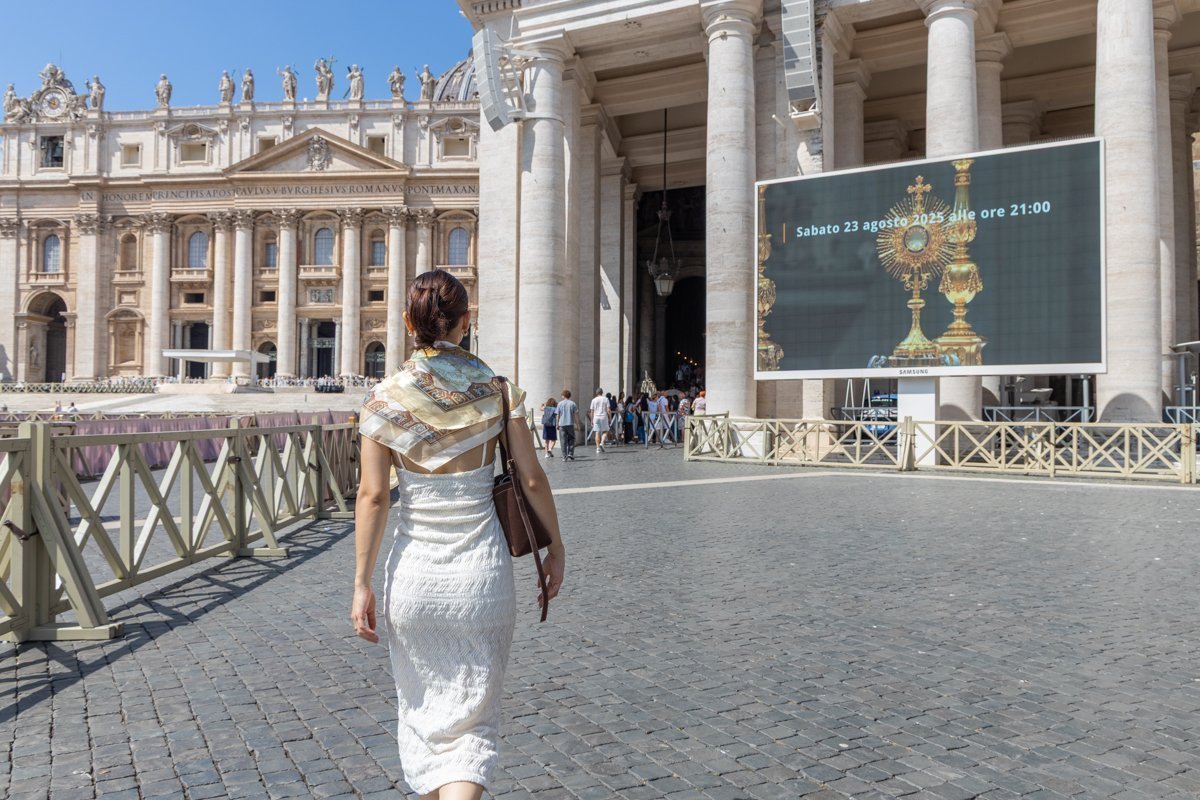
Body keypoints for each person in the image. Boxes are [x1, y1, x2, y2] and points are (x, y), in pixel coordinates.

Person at [352, 269, 565, 800]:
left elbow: (373, 497)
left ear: (408, 322)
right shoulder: (496, 391)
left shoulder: (382, 398)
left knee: (422, 716)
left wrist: (361, 582)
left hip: (414, 578)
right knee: (472, 725)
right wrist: (555, 547)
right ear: (467, 323)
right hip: (481, 577)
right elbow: (532, 477)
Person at [556, 389, 580, 461]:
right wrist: (578, 424)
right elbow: (575, 415)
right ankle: (570, 453)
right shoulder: (573, 403)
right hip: (570, 424)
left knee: (563, 441)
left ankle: (564, 456)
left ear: (563, 396)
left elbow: (557, 414)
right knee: (572, 439)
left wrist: (557, 424)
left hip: (562, 424)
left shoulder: (559, 404)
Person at [588, 388, 609, 453]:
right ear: (602, 392)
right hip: (604, 416)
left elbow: (592, 411)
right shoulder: (606, 399)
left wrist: (591, 419)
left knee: (597, 432)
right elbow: (608, 410)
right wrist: (610, 418)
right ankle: (602, 443)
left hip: (596, 417)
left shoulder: (593, 400)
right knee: (605, 431)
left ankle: (597, 448)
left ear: (596, 393)